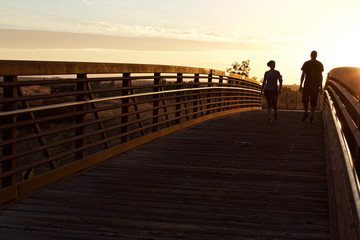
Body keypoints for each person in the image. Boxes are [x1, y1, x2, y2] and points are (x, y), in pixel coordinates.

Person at [299, 50, 324, 124]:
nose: (313, 56)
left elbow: (320, 76)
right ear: (310, 55)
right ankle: (306, 112)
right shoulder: (306, 63)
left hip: (315, 85)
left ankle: (312, 116)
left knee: (313, 102)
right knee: (305, 100)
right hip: (307, 85)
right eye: (313, 55)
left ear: (316, 56)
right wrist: (301, 84)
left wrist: (321, 86)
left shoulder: (319, 64)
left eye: (315, 55)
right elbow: (303, 74)